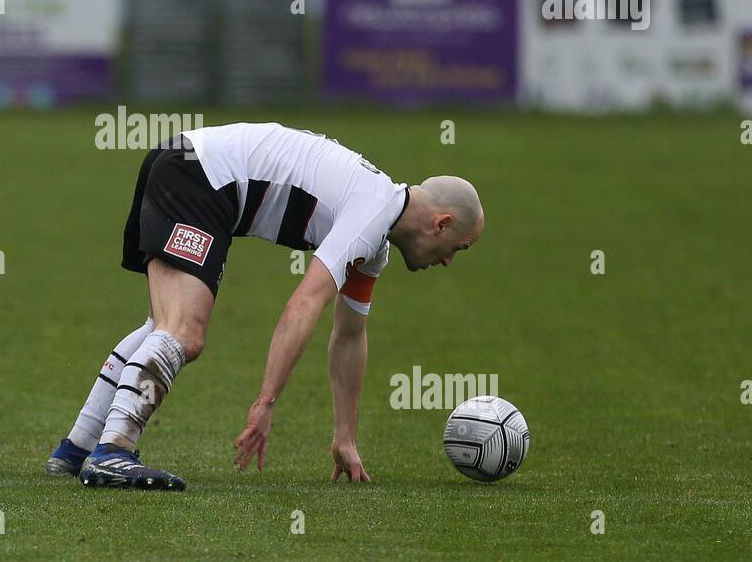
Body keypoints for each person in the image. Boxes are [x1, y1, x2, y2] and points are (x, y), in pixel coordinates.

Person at [45, 123, 483, 490]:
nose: (446, 261)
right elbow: (303, 305)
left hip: (187, 163)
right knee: (183, 332)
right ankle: (114, 452)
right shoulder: (372, 213)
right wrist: (265, 402)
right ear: (441, 223)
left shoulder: (375, 235)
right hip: (199, 177)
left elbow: (350, 335)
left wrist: (345, 437)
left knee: (162, 326)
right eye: (455, 249)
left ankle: (79, 446)